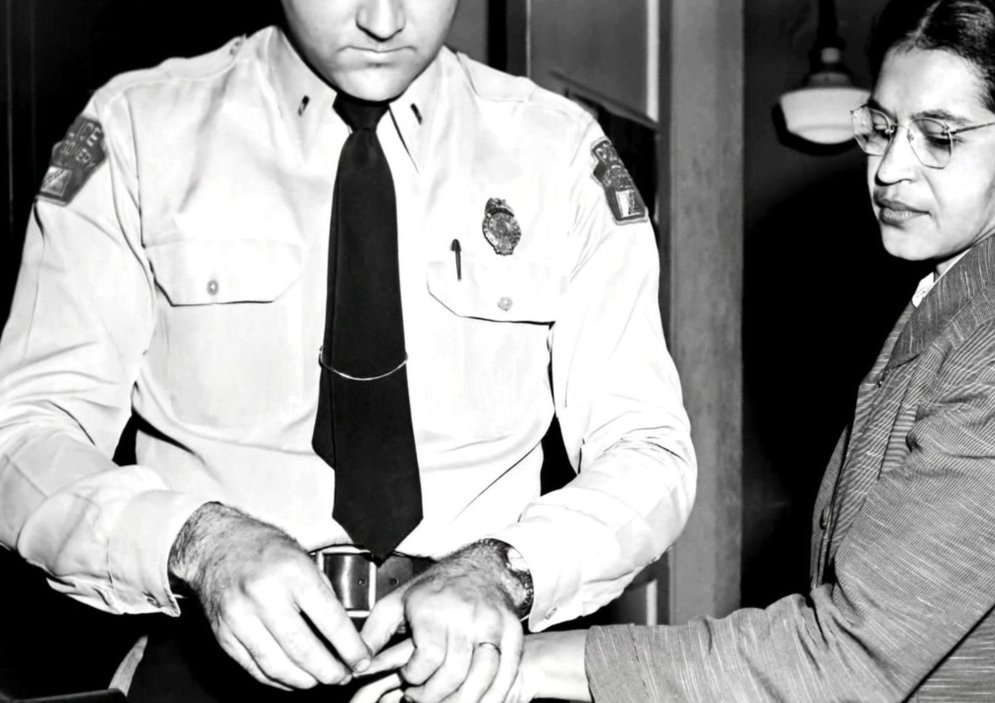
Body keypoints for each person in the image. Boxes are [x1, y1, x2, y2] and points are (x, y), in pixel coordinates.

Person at [381, 0, 995, 701]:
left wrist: (531, 661)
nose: (889, 168)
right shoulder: (969, 301)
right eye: (881, 126)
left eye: (939, 136)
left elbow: (850, 653)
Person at [0, 1, 697, 702]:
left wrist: (511, 569)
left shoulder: (560, 153)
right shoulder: (139, 133)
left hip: (471, 676)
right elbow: (21, 436)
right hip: (205, 672)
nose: (385, 19)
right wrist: (198, 543)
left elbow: (648, 451)